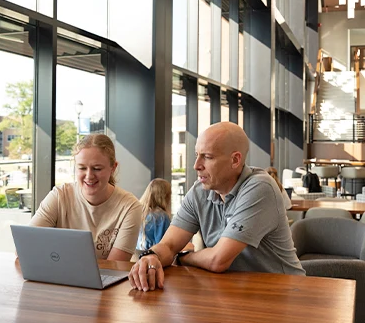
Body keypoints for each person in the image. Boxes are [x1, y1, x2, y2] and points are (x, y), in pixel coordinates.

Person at [129, 122, 305, 292]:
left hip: (284, 292)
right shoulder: (199, 191)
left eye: (207, 157)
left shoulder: (260, 187)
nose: (196, 165)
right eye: (197, 154)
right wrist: (152, 256)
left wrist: (183, 257)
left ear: (235, 160)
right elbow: (168, 245)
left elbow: (218, 260)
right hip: (232, 291)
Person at [29, 133, 142, 261]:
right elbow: (26, 246)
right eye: (82, 168)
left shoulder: (130, 207)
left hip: (103, 280)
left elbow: (114, 267)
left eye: (97, 168)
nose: (89, 176)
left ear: (113, 168)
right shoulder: (59, 196)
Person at [136, 178, 172, 251]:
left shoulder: (137, 212)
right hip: (153, 258)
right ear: (165, 196)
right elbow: (164, 246)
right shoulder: (161, 217)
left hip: (134, 257)